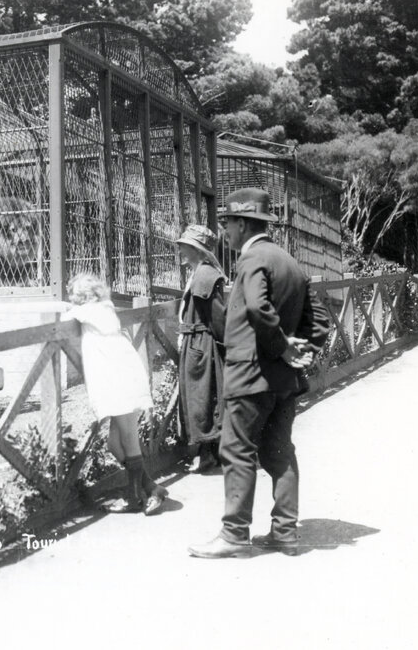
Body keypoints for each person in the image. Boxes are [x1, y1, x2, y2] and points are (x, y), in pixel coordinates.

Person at [188, 188, 330, 558]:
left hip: (250, 377)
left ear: (241, 222)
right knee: (279, 453)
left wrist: (281, 345)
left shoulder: (252, 259)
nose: (225, 234)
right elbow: (321, 323)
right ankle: (285, 532)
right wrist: (301, 354)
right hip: (284, 381)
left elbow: (256, 306)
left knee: (236, 451)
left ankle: (234, 535)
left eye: (228, 225)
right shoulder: (291, 263)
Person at [63, 272, 169, 514]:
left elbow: (65, 315)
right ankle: (151, 487)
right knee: (114, 443)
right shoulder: (105, 310)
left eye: (75, 296)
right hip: (124, 378)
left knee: (128, 438)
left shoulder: (91, 311)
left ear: (83, 297)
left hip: (122, 383)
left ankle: (134, 499)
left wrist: (68, 307)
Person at [175, 224, 227, 474]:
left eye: (185, 246)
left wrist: (225, 345)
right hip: (196, 342)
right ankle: (210, 453)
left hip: (201, 343)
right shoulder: (199, 273)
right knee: (201, 395)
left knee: (202, 396)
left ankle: (208, 454)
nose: (181, 250)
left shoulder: (205, 275)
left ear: (197, 249)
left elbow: (218, 317)